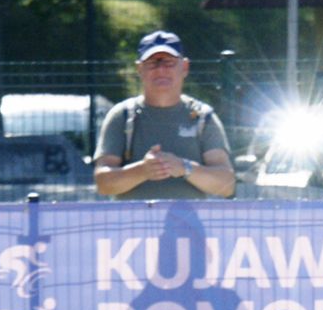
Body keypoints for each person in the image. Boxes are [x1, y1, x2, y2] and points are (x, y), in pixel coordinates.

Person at [93, 30, 237, 200]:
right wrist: (143, 170)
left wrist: (184, 168)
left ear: (184, 67)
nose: (161, 70)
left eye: (169, 62)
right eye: (153, 63)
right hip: (134, 226)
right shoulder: (122, 116)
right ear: (140, 69)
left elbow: (227, 185)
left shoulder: (202, 118)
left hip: (187, 226)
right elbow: (103, 183)